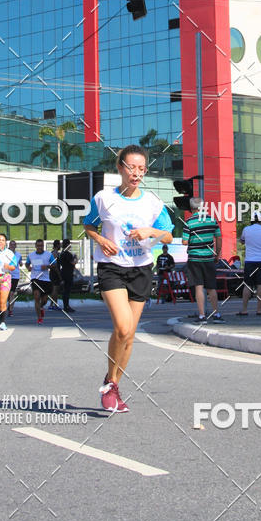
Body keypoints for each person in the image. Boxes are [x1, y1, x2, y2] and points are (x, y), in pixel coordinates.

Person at [83, 144, 173, 413]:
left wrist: (150, 232)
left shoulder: (153, 202)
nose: (137, 173)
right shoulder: (103, 198)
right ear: (119, 167)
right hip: (111, 267)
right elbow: (89, 225)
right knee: (122, 328)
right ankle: (111, 384)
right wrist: (101, 240)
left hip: (141, 268)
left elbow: (168, 236)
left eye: (141, 168)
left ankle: (112, 384)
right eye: (131, 167)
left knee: (130, 335)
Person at [182, 197, 223, 322]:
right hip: (209, 258)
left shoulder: (189, 222)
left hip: (194, 259)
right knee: (211, 287)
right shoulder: (212, 220)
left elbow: (184, 242)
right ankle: (216, 314)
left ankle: (202, 315)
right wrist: (217, 254)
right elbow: (219, 238)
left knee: (198, 287)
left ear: (191, 208)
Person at [238, 214, 261, 316]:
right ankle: (259, 310)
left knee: (247, 285)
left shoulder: (246, 230)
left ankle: (244, 310)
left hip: (249, 261)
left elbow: (242, 241)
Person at [25, 239, 55, 324]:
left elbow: (54, 264)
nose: (39, 247)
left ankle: (41, 307)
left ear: (43, 246)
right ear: (35, 246)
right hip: (35, 278)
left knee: (44, 300)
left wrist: (47, 266)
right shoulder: (31, 255)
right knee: (37, 296)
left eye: (41, 246)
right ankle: (39, 318)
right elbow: (27, 263)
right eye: (38, 246)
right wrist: (28, 267)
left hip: (45, 279)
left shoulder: (48, 255)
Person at [59, 238, 77, 313]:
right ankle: (66, 306)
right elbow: (73, 262)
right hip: (68, 273)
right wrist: (76, 258)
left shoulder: (62, 253)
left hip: (63, 272)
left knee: (65, 290)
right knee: (67, 290)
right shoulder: (67, 254)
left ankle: (66, 305)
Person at [7, 240, 22, 316]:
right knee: (7, 293)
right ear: (9, 246)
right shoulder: (5, 253)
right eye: (11, 244)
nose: (12, 246)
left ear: (16, 246)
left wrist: (21, 263)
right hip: (7, 274)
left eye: (14, 245)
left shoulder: (18, 255)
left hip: (15, 276)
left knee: (12, 293)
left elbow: (20, 263)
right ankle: (6, 305)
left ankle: (10, 310)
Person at [49, 239, 62, 309]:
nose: (60, 246)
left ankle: (55, 304)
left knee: (56, 290)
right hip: (54, 272)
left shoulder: (55, 253)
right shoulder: (54, 253)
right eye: (59, 244)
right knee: (54, 289)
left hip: (54, 272)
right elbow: (54, 265)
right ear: (57, 245)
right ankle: (51, 305)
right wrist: (59, 274)